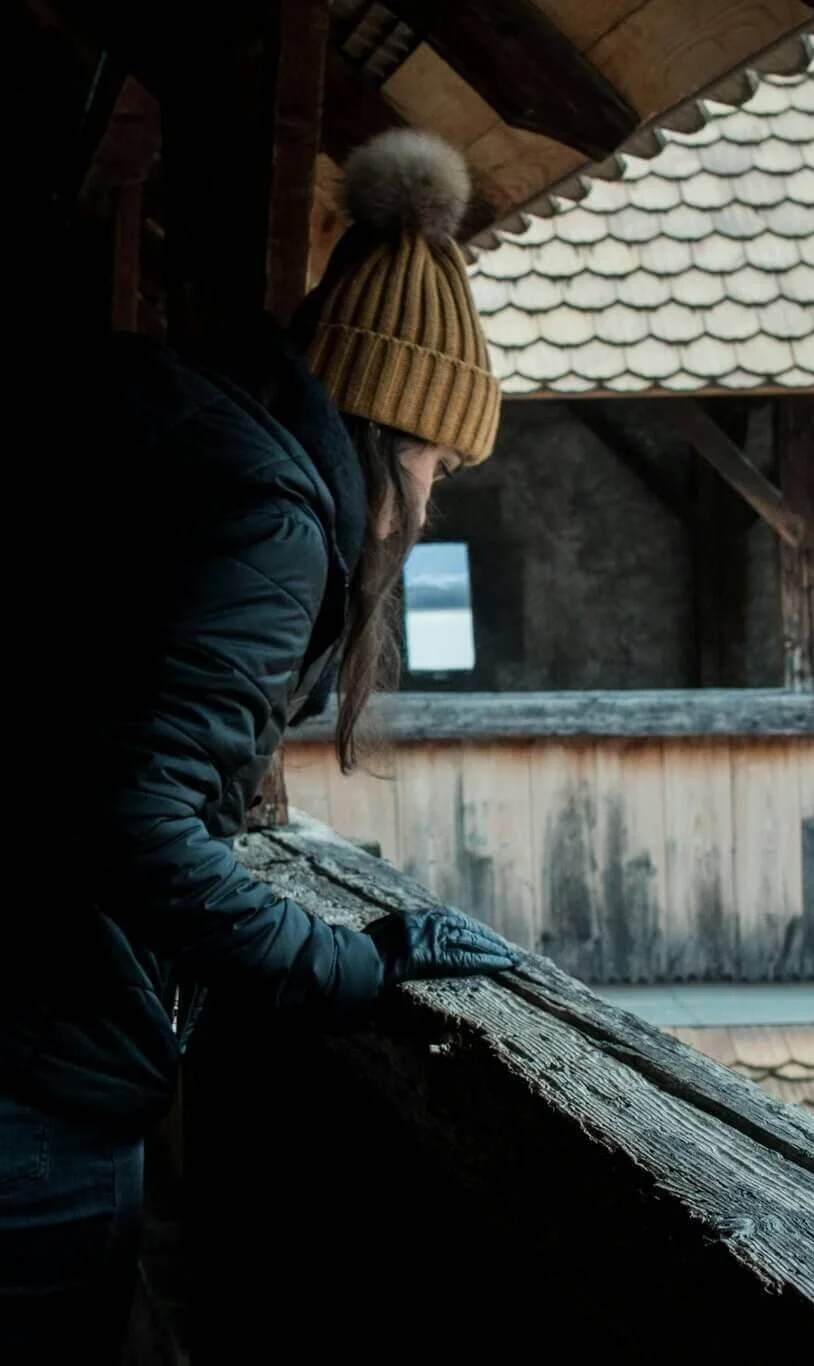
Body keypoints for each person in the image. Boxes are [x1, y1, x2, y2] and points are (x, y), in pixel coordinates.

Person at [0, 128, 517, 1360]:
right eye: (440, 461)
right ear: (391, 432)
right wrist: (351, 963)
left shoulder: (194, 444)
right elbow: (137, 817)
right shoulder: (275, 523)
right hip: (31, 1075)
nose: (432, 498)